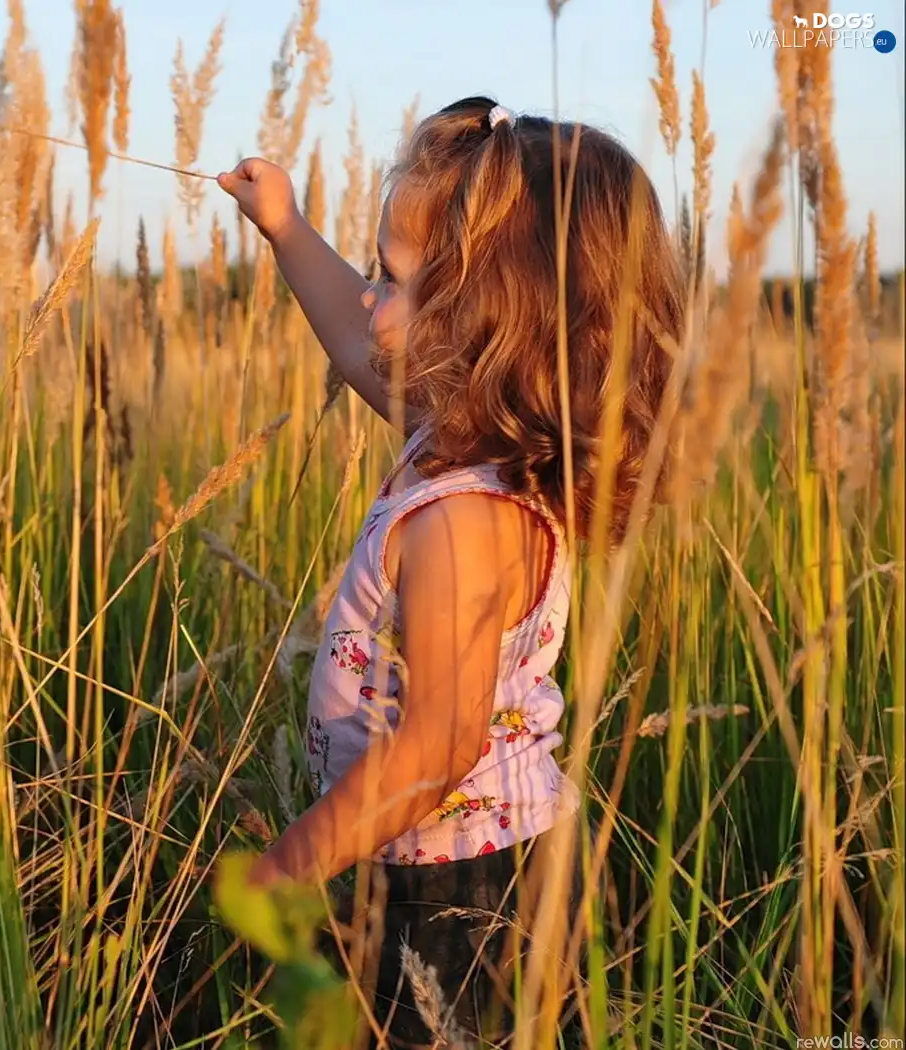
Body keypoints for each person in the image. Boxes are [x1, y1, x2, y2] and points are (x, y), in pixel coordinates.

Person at [216, 95, 681, 1045]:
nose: (367, 298)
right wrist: (285, 226)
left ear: (487, 316)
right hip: (439, 855)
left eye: (389, 278)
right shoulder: (458, 434)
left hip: (471, 891)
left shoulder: (467, 519)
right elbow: (354, 345)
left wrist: (282, 871)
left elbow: (436, 748)